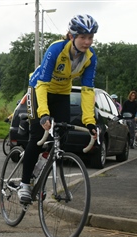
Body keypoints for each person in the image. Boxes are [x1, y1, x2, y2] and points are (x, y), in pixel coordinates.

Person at [18, 14, 98, 204]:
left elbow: (87, 91)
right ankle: (24, 184)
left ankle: (39, 172)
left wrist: (89, 121)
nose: (87, 42)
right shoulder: (56, 49)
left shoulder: (90, 57)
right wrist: (44, 114)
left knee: (62, 137)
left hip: (62, 93)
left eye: (91, 37)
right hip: (38, 89)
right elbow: (43, 84)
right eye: (83, 37)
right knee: (37, 137)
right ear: (71, 36)